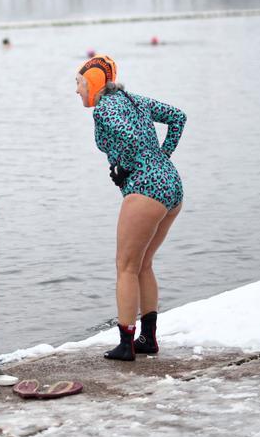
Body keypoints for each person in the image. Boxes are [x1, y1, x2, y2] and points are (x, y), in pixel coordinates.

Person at [76, 54, 187, 361]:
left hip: (145, 189)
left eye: (79, 83)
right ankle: (148, 339)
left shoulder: (103, 110)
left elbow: (127, 136)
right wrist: (162, 156)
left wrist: (127, 165)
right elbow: (178, 116)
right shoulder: (132, 99)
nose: (77, 90)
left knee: (125, 266)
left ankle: (126, 343)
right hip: (171, 185)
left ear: (94, 83)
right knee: (143, 264)